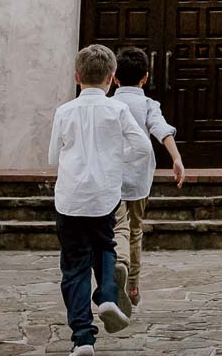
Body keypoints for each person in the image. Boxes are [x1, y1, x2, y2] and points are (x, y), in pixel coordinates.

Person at [48, 44, 153, 355]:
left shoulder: (64, 112)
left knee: (74, 267)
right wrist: (115, 159)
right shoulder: (117, 110)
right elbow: (143, 147)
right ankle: (107, 293)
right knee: (105, 246)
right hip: (104, 196)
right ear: (112, 77)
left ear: (77, 76)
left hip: (69, 199)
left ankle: (82, 337)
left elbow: (54, 155)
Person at [110, 47, 186, 312]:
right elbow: (161, 130)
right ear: (145, 78)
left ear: (114, 78)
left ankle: (119, 263)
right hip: (139, 179)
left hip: (112, 177)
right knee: (135, 230)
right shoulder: (148, 105)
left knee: (116, 227)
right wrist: (176, 159)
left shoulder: (110, 105)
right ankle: (132, 285)